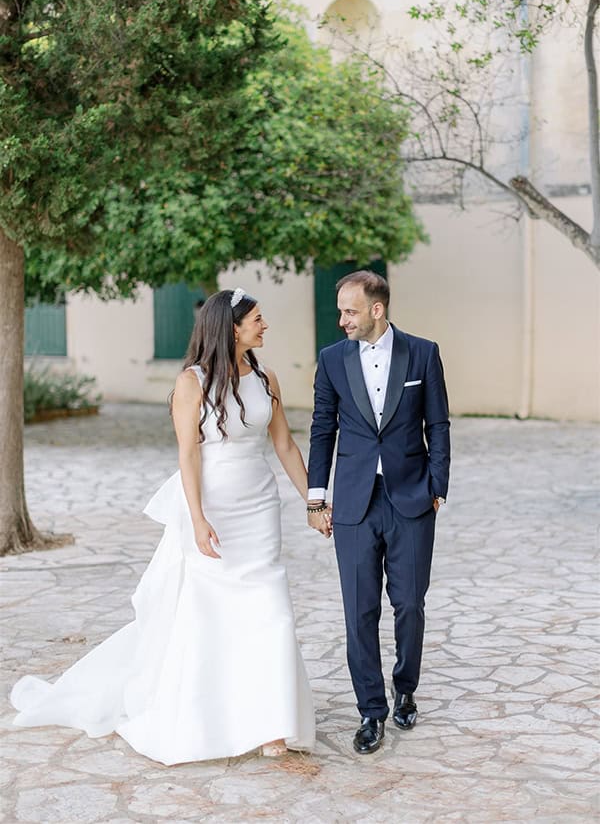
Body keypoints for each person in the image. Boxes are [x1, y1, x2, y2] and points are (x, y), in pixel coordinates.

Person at [11, 288, 315, 764]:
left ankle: (273, 724)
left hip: (259, 509)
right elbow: (188, 454)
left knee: (272, 612)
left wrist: (315, 500)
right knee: (215, 615)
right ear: (231, 327)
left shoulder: (266, 378)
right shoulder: (192, 383)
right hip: (215, 511)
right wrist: (197, 518)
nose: (265, 325)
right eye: (257, 319)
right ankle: (214, 715)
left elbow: (286, 446)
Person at [306, 270, 450, 754]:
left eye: (349, 311)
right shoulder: (332, 359)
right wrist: (316, 498)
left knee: (409, 603)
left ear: (377, 309)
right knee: (359, 610)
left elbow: (438, 423)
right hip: (354, 501)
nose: (342, 320)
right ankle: (371, 710)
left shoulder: (422, 353)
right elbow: (322, 428)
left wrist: (437, 485)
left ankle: (405, 687)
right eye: (340, 311)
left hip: (411, 498)